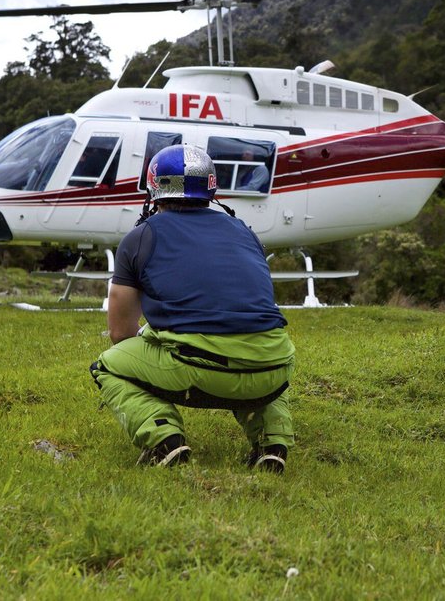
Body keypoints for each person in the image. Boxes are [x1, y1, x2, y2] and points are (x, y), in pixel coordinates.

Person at [88, 144, 294, 472]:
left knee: (108, 366)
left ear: (154, 186)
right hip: (275, 367)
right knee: (255, 355)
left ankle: (165, 441)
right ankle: (273, 443)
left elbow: (120, 332)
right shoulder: (245, 231)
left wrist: (154, 337)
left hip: (199, 369)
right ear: (211, 186)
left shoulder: (140, 238)